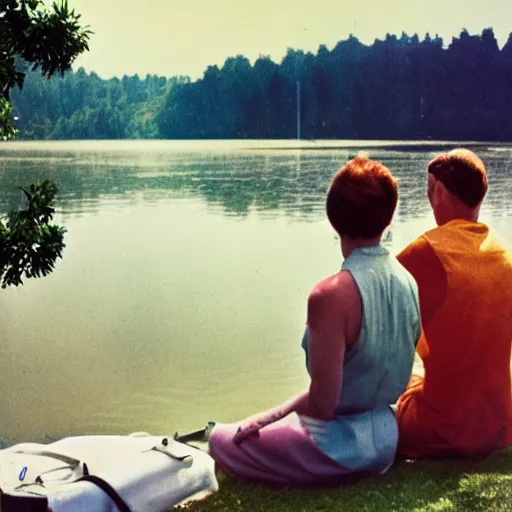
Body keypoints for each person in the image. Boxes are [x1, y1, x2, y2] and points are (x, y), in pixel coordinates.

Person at [207, 155, 421, 486]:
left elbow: (323, 405)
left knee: (220, 439)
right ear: (388, 216)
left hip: (343, 448)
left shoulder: (329, 296)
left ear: (333, 217)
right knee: (259, 430)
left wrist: (267, 416)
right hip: (387, 437)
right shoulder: (409, 280)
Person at [395, 148, 512, 458]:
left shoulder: (425, 253)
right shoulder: (505, 253)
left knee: (392, 383)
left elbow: (377, 325)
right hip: (500, 425)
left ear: (439, 190)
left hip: (442, 431)